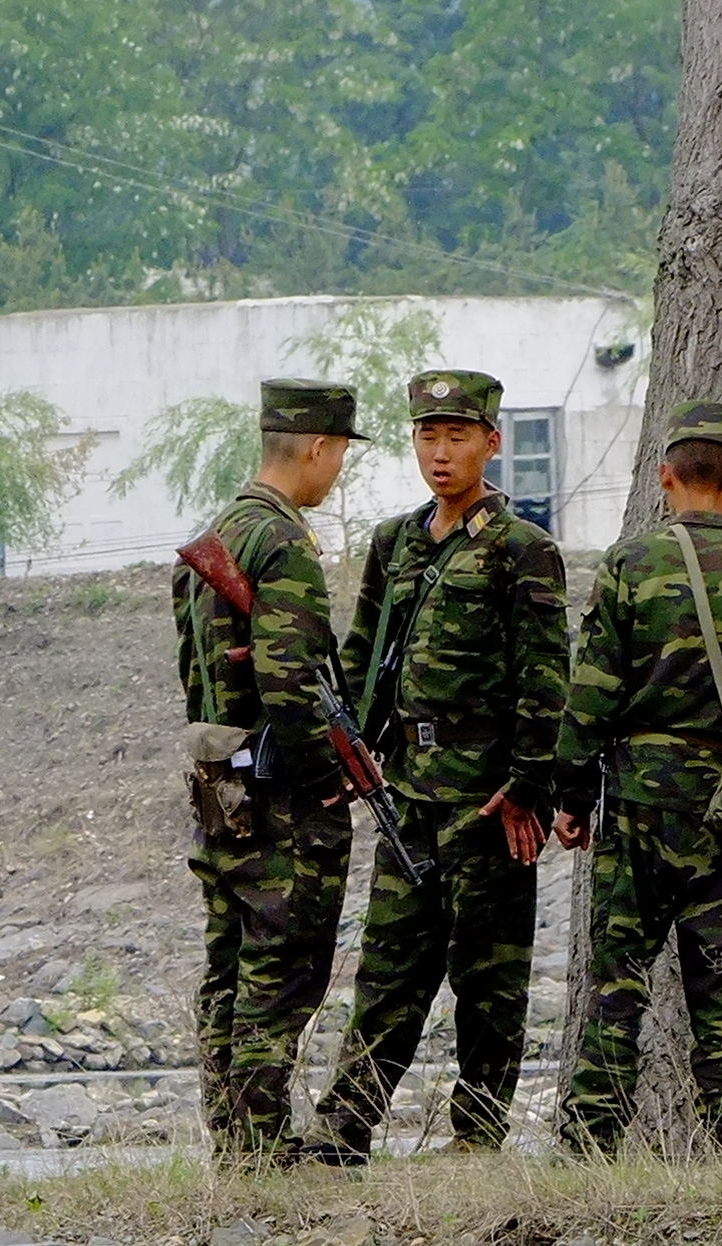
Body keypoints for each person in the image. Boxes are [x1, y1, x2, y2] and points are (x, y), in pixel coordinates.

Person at [549, 400, 722, 1156]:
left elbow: (592, 690)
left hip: (639, 801)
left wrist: (572, 795)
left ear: (664, 476)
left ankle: (589, 1150)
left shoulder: (630, 566)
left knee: (617, 979)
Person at [301, 372, 567, 1166]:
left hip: (486, 795)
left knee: (490, 978)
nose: (440, 453)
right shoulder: (397, 542)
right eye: (427, 435)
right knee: (388, 966)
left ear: (491, 442)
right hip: (406, 788)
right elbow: (363, 652)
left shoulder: (524, 550)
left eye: (457, 436)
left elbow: (546, 675)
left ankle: (477, 1135)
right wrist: (346, 743)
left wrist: (527, 786)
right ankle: (343, 1131)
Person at [173, 379, 363, 1164]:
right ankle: (262, 1146)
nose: (339, 471)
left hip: (222, 783)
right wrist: (328, 774)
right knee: (280, 971)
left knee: (228, 962)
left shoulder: (216, 535)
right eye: (341, 455)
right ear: (318, 449)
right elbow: (290, 682)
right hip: (281, 791)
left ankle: (233, 1143)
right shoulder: (281, 543)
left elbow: (197, 672)